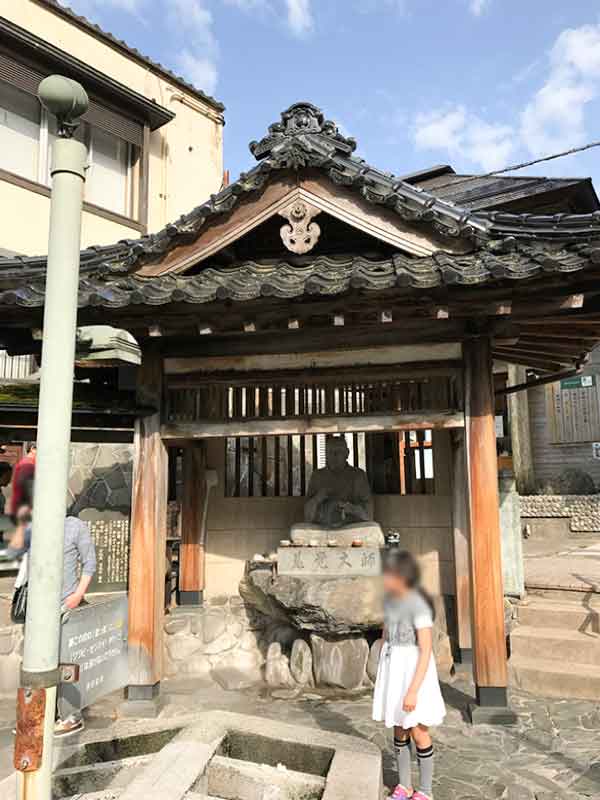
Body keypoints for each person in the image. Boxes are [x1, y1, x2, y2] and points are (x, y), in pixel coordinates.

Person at [372, 550, 446, 800]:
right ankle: (404, 786)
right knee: (399, 729)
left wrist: (413, 689)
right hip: (394, 672)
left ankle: (425, 790)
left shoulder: (419, 605)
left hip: (413, 673)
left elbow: (425, 650)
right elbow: (384, 636)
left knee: (418, 729)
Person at [23, 515, 97, 736]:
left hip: (66, 605)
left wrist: (77, 595)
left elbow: (89, 562)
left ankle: (71, 716)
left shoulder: (75, 525)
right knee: (39, 662)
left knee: (67, 661)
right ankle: (37, 715)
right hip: (39, 607)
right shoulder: (35, 523)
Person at [9, 444, 36, 520]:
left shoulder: (27, 463)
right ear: (32, 449)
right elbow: (28, 490)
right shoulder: (28, 465)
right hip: (24, 509)